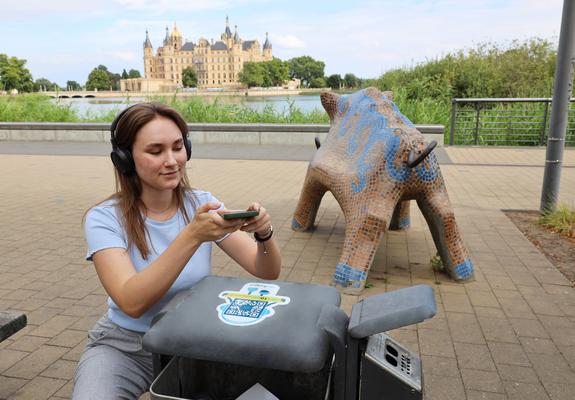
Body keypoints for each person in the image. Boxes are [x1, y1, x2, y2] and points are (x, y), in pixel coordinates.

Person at [72, 102, 281, 399]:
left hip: (191, 339)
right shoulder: (104, 218)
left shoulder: (201, 203)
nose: (172, 161)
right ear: (124, 159)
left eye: (178, 147)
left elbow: (267, 271)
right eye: (155, 151)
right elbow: (132, 301)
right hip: (124, 345)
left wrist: (264, 233)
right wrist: (192, 236)